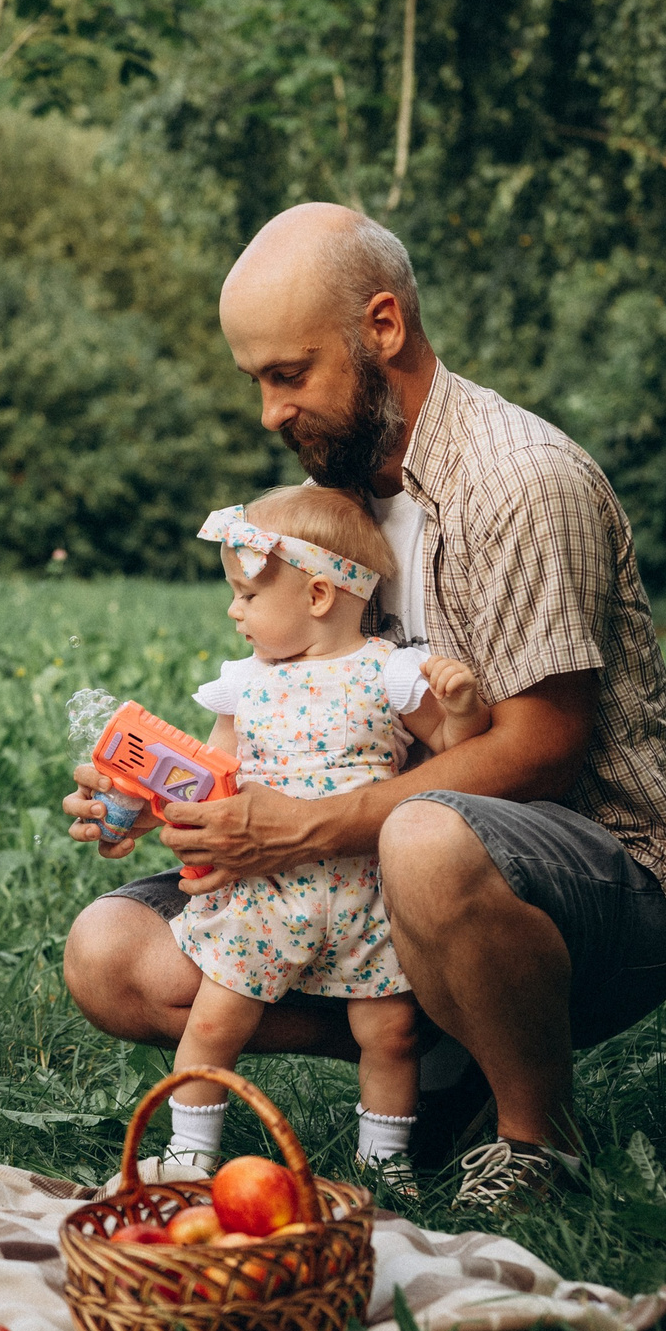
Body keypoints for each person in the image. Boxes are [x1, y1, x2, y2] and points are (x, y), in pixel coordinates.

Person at [62, 203, 666, 1212]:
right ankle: (431, 1052)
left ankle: (537, 1140)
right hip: (365, 888)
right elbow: (307, 720)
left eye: (289, 374)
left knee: (424, 837)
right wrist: (180, 800)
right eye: (256, 382)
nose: (269, 413)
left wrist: (304, 825)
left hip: (601, 883)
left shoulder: (522, 481)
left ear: (383, 326)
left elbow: (545, 746)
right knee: (108, 955)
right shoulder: (334, 502)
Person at [154, 486, 491, 1196]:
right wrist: (150, 800)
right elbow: (211, 779)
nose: (233, 610)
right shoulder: (242, 684)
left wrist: (461, 710)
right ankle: (188, 1152)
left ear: (317, 595)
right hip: (264, 894)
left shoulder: (389, 671)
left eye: (247, 594)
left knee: (391, 1034)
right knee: (215, 1021)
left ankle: (385, 1166)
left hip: (367, 895)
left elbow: (459, 758)